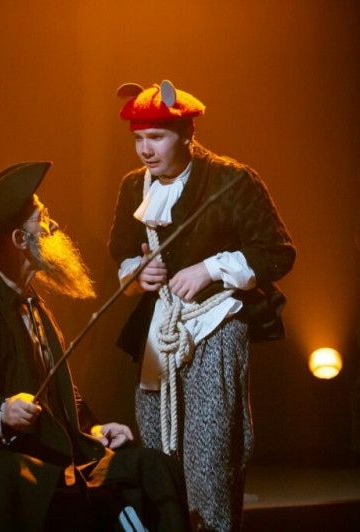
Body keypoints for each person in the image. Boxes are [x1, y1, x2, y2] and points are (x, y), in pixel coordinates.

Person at [0, 161, 191, 531]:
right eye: (43, 219)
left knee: (154, 468)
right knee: (52, 488)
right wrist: (0, 412)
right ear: (20, 240)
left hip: (53, 457)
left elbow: (61, 392)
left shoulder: (34, 304)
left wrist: (93, 428)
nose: (54, 226)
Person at [108, 80, 296, 531]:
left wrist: (210, 269)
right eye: (139, 139)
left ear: (186, 134)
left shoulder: (232, 180)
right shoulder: (134, 186)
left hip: (216, 323)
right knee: (156, 450)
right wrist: (136, 272)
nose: (146, 150)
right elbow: (122, 251)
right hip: (162, 328)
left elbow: (277, 252)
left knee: (210, 454)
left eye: (157, 138)